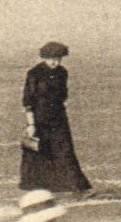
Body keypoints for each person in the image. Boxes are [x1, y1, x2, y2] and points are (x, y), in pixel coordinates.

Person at [19, 41, 92, 195]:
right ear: (44, 57)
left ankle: (76, 188)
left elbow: (63, 95)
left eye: (59, 59)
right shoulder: (34, 73)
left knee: (65, 151)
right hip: (39, 119)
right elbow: (28, 100)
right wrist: (31, 124)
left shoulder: (62, 72)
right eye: (53, 59)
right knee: (40, 153)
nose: (56, 62)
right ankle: (40, 190)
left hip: (58, 117)